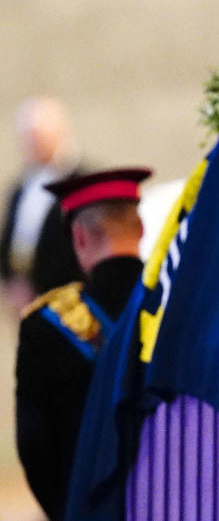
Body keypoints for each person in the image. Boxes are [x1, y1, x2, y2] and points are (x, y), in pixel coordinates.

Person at [15, 167, 151, 521]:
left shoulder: (43, 327)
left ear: (79, 238)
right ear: (141, 229)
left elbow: (36, 450)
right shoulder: (179, 304)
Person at [0, 97, 84, 312]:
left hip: (69, 299)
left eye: (39, 137)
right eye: (29, 138)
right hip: (25, 299)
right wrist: (12, 282)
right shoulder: (20, 187)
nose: (33, 144)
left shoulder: (82, 181)